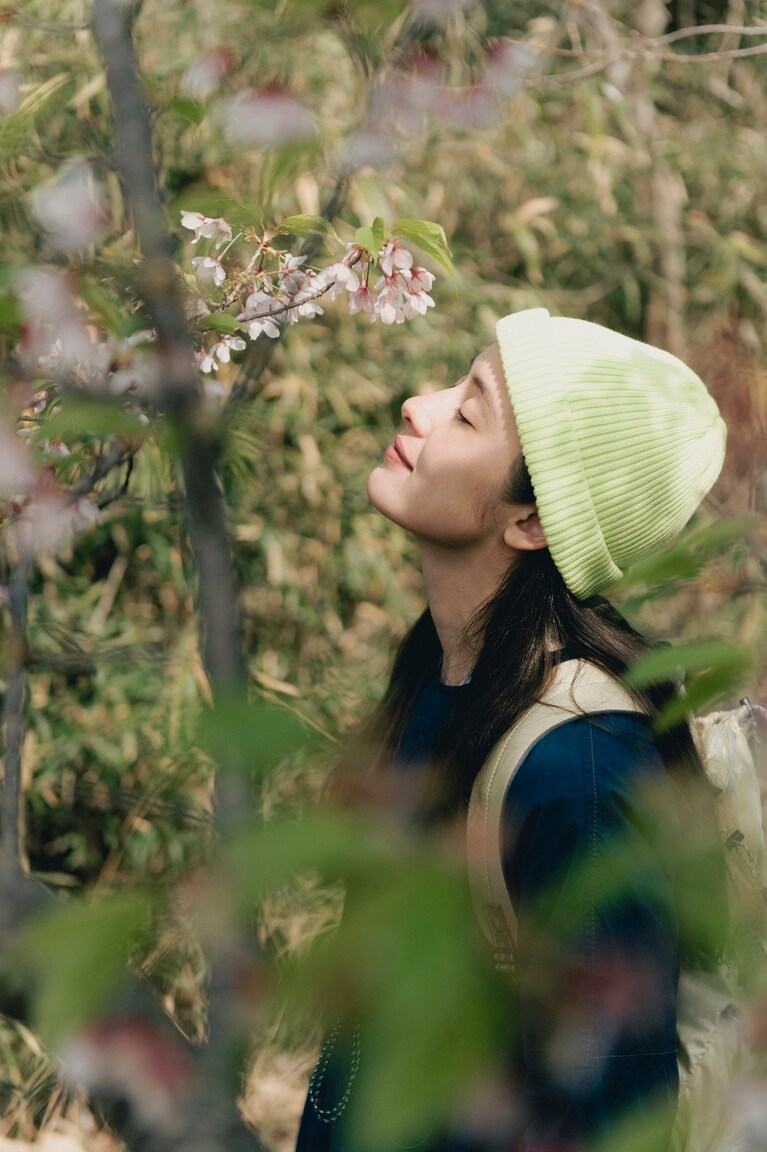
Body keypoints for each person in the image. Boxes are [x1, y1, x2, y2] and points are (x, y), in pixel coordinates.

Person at [295, 307, 728, 1152]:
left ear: (531, 521)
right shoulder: (437, 675)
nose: (417, 407)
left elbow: (612, 1117)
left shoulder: (583, 770)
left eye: (465, 412)